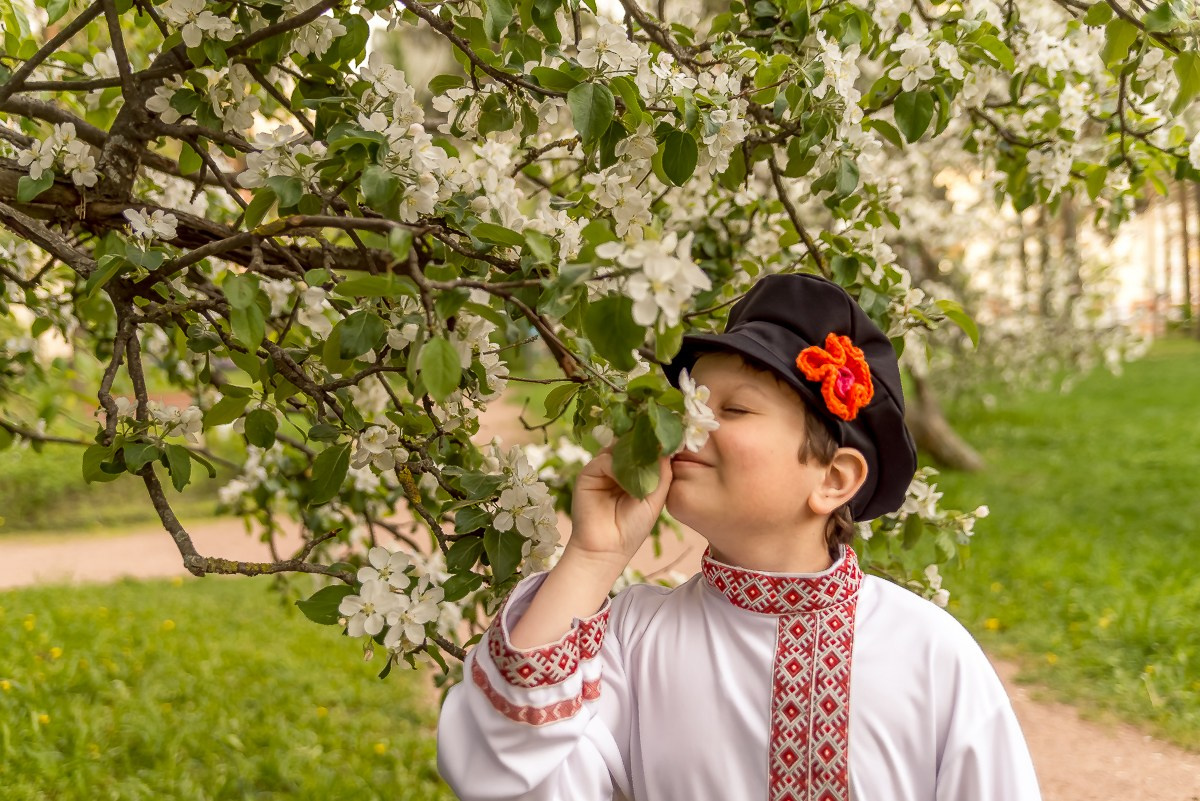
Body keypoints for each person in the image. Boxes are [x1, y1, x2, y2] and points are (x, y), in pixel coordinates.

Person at [437, 273, 1042, 800]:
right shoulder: (632, 639)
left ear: (833, 479)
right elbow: (499, 775)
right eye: (689, 401)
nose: (688, 423)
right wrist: (593, 556)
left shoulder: (927, 651)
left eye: (734, 409)